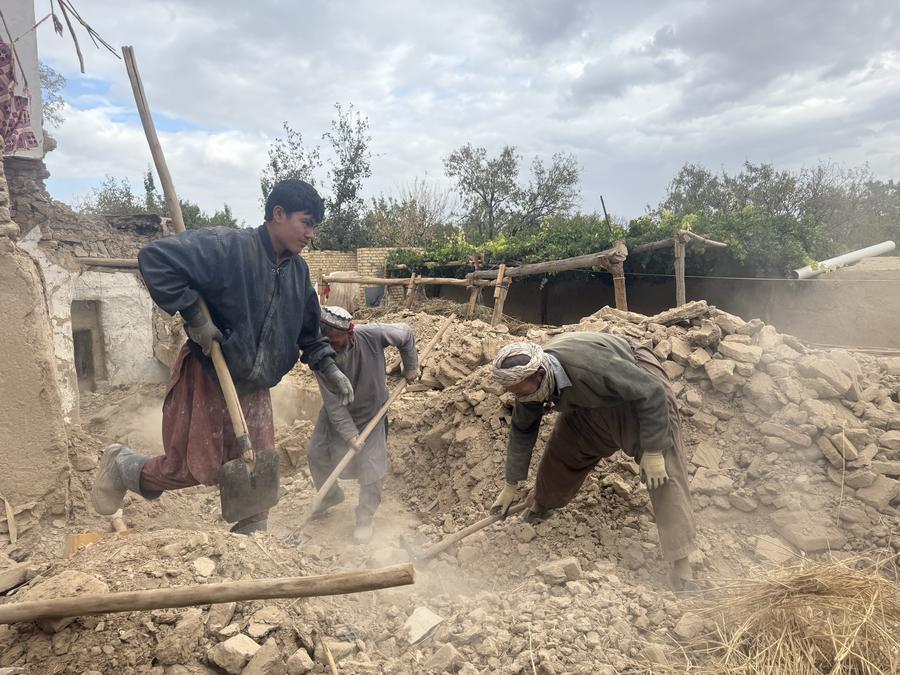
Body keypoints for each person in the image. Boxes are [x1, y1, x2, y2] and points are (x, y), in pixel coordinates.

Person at [91, 179, 354, 534]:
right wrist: (196, 318)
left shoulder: (297, 271)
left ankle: (251, 535)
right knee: (188, 468)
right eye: (305, 222)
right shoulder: (226, 247)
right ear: (278, 213)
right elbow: (155, 259)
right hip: (209, 373)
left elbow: (309, 331)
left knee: (257, 467)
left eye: (314, 227)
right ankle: (121, 466)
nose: (310, 234)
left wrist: (328, 367)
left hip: (255, 386)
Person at [488, 332, 697, 589]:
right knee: (562, 454)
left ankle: (681, 563)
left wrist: (653, 450)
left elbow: (651, 392)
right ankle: (542, 505)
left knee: (663, 469)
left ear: (540, 374)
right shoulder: (529, 388)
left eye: (518, 391)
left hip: (637, 389)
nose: (517, 397)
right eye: (512, 392)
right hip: (588, 399)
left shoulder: (590, 366)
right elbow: (522, 430)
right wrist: (512, 483)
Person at [308, 306, 419, 544]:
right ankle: (329, 497)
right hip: (336, 414)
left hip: (372, 413)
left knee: (373, 470)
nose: (334, 349)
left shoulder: (372, 334)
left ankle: (364, 519)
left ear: (350, 334)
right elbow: (334, 405)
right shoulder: (321, 358)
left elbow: (406, 333)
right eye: (329, 344)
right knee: (316, 455)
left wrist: (410, 366)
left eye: (337, 343)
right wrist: (351, 435)